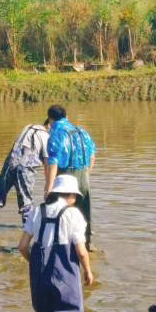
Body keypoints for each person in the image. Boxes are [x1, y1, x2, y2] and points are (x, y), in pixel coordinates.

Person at [18, 174, 95, 312]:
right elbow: (80, 251)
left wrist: (35, 265)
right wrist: (88, 271)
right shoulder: (73, 214)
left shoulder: (36, 211)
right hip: (65, 274)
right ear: (70, 196)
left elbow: (22, 247)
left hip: (39, 273)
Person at [0, 113, 50, 232]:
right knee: (26, 203)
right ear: (50, 125)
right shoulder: (46, 137)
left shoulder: (28, 127)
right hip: (26, 169)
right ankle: (28, 235)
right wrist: (49, 185)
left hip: (10, 164)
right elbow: (47, 162)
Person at [42, 104, 97, 248]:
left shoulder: (56, 134)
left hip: (66, 176)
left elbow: (53, 163)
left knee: (62, 211)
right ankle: (88, 244)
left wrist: (49, 188)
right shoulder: (82, 131)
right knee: (84, 210)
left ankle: (63, 245)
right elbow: (92, 155)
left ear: (50, 119)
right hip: (84, 175)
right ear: (67, 117)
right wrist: (86, 172)